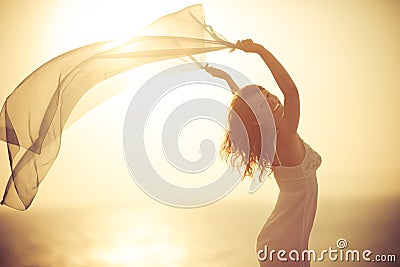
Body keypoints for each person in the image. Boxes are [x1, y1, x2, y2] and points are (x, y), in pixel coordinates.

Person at [205, 39, 322, 266]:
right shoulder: (284, 138)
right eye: (262, 105)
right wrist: (260, 50)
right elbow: (291, 92)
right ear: (258, 121)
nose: (270, 100)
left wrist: (224, 76)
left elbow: (242, 97)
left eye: (266, 94)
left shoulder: (271, 139)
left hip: (282, 237)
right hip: (285, 241)